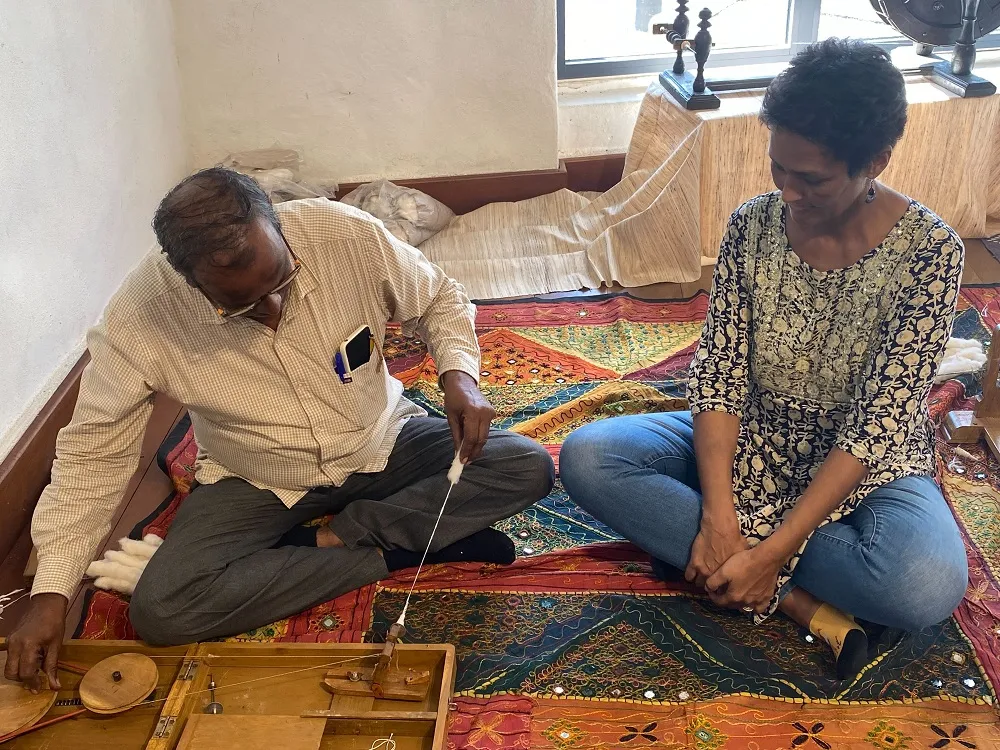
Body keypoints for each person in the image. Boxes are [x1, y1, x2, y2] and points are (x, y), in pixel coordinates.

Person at [5, 168, 554, 691]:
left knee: (524, 466)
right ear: (187, 280)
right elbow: (94, 453)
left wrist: (460, 377)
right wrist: (51, 592)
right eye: (240, 306)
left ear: (276, 221)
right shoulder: (139, 318)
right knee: (164, 610)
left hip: (381, 439)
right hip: (258, 475)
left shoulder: (344, 234)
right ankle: (396, 553)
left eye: (282, 281)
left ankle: (329, 540)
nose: (272, 308)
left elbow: (438, 297)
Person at [560, 39, 968, 680]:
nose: (789, 191)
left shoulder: (930, 252)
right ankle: (796, 599)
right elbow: (720, 374)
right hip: (750, 436)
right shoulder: (752, 225)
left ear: (876, 162)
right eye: (779, 167)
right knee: (589, 456)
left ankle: (745, 569)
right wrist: (718, 516)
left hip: (866, 466)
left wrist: (773, 551)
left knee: (923, 585)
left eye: (812, 179)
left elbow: (878, 422)